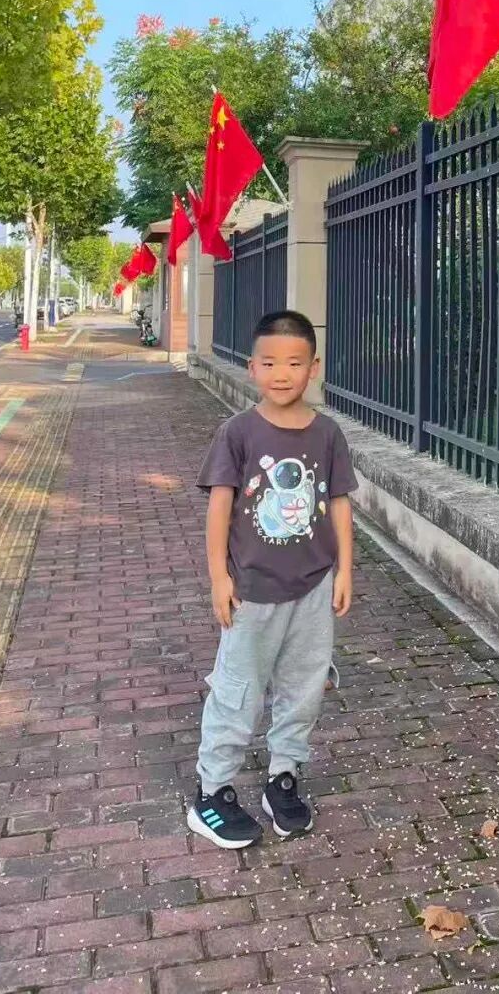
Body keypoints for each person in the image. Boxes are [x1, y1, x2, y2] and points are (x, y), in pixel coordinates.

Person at [188, 309, 356, 847]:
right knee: (238, 690)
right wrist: (219, 577)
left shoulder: (327, 434)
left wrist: (345, 569)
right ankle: (212, 792)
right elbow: (220, 507)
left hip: (312, 588)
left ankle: (284, 776)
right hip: (252, 591)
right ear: (252, 367)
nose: (282, 374)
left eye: (294, 363)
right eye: (269, 362)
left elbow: (339, 503)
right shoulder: (238, 433)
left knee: (304, 688)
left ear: (314, 368)